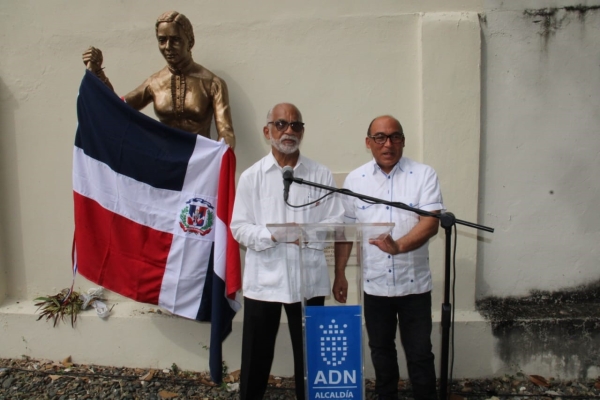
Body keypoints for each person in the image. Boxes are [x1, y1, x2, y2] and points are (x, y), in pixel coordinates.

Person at [230, 103, 344, 400]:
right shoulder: (252, 176)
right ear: (267, 130)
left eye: (295, 125)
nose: (289, 130)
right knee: (256, 358)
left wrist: (304, 233)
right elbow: (238, 227)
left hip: (309, 280)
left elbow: (337, 221)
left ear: (302, 132)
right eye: (281, 124)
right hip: (264, 282)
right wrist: (273, 234)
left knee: (311, 359)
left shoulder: (319, 174)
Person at [332, 115, 444, 400]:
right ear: (368, 143)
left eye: (395, 137)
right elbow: (346, 231)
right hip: (376, 285)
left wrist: (400, 246)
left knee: (420, 353)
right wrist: (340, 273)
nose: (388, 144)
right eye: (380, 137)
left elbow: (430, 222)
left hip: (414, 285)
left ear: (403, 141)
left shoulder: (423, 174)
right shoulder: (355, 180)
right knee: (381, 351)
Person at [82, 11, 236, 149]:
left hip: (199, 165)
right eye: (162, 40)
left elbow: (226, 131)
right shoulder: (154, 82)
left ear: (190, 42)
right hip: (164, 165)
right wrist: (98, 74)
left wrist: (223, 157)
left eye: (175, 40)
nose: (168, 47)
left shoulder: (212, 83)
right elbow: (117, 109)